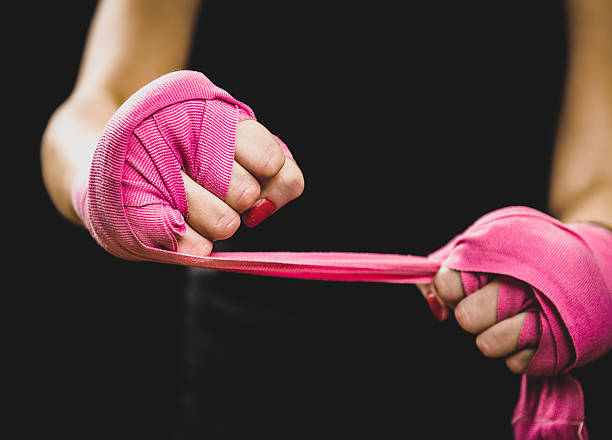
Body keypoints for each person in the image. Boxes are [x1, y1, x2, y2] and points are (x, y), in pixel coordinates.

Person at [40, 0, 612, 438]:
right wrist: (105, 168)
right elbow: (92, 104)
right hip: (247, 380)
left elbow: (599, 175)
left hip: (494, 356)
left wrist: (592, 256)